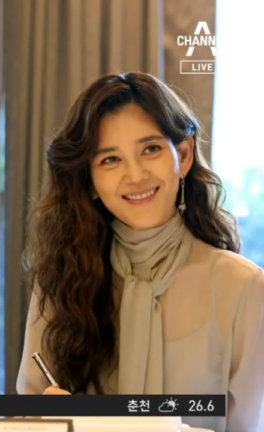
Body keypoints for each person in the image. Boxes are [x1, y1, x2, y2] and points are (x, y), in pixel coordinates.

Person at [16, 72, 264, 432]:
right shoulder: (61, 279)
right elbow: (30, 420)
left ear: (183, 155)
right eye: (110, 160)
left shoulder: (243, 287)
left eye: (151, 149)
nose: (135, 175)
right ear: (90, 182)